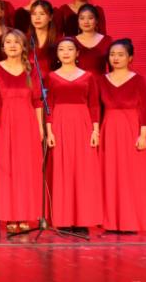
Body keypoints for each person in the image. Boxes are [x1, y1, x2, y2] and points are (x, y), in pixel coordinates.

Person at [0, 30, 44, 233]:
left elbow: (37, 101)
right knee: (6, 169)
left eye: (16, 42)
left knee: (25, 169)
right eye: (8, 42)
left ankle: (24, 215)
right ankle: (9, 216)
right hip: (4, 122)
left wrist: (40, 127)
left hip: (27, 123)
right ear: (3, 47)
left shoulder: (31, 70)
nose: (12, 45)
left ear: (23, 47)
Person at [45, 38, 104, 235]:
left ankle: (82, 219)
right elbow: (49, 105)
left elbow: (94, 104)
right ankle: (63, 219)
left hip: (83, 125)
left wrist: (95, 130)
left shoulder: (88, 76)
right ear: (57, 54)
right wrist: (49, 131)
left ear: (77, 53)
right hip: (60, 124)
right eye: (61, 49)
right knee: (62, 170)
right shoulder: (51, 77)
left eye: (70, 49)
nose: (66, 52)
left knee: (82, 171)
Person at [99, 38, 146, 233]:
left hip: (131, 131)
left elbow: (145, 110)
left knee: (131, 176)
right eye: (112, 55)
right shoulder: (102, 80)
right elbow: (97, 109)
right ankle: (110, 222)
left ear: (130, 58)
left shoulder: (138, 80)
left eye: (121, 55)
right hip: (109, 131)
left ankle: (130, 221)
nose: (115, 58)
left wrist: (143, 136)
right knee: (110, 175)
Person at [73, 4, 112, 75]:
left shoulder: (107, 40)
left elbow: (113, 69)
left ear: (96, 20)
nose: (86, 22)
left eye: (90, 18)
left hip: (101, 81)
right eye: (82, 18)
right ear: (78, 21)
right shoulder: (71, 41)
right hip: (77, 81)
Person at [26, 0, 59, 72]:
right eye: (34, 14)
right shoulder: (24, 39)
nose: (37, 18)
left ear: (50, 17)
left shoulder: (58, 40)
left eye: (42, 14)